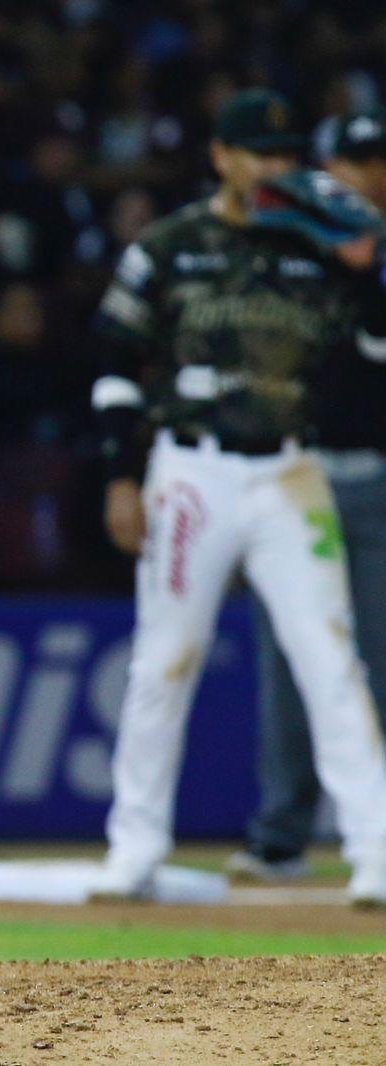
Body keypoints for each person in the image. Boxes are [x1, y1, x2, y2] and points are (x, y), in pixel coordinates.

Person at [88, 88, 386, 905]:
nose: (276, 169)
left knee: (329, 659)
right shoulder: (170, 246)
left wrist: (367, 271)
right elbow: (115, 362)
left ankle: (377, 850)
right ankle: (134, 849)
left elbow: (373, 354)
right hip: (191, 473)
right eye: (260, 153)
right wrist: (121, 476)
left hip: (291, 473)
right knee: (162, 661)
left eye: (288, 156)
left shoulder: (322, 245)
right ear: (222, 156)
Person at [228, 106, 386, 882]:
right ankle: (282, 834)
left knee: (380, 663)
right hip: (297, 476)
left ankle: (376, 838)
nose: (370, 175)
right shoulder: (288, 255)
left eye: (378, 161)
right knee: (292, 659)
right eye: (356, 163)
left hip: (379, 479)